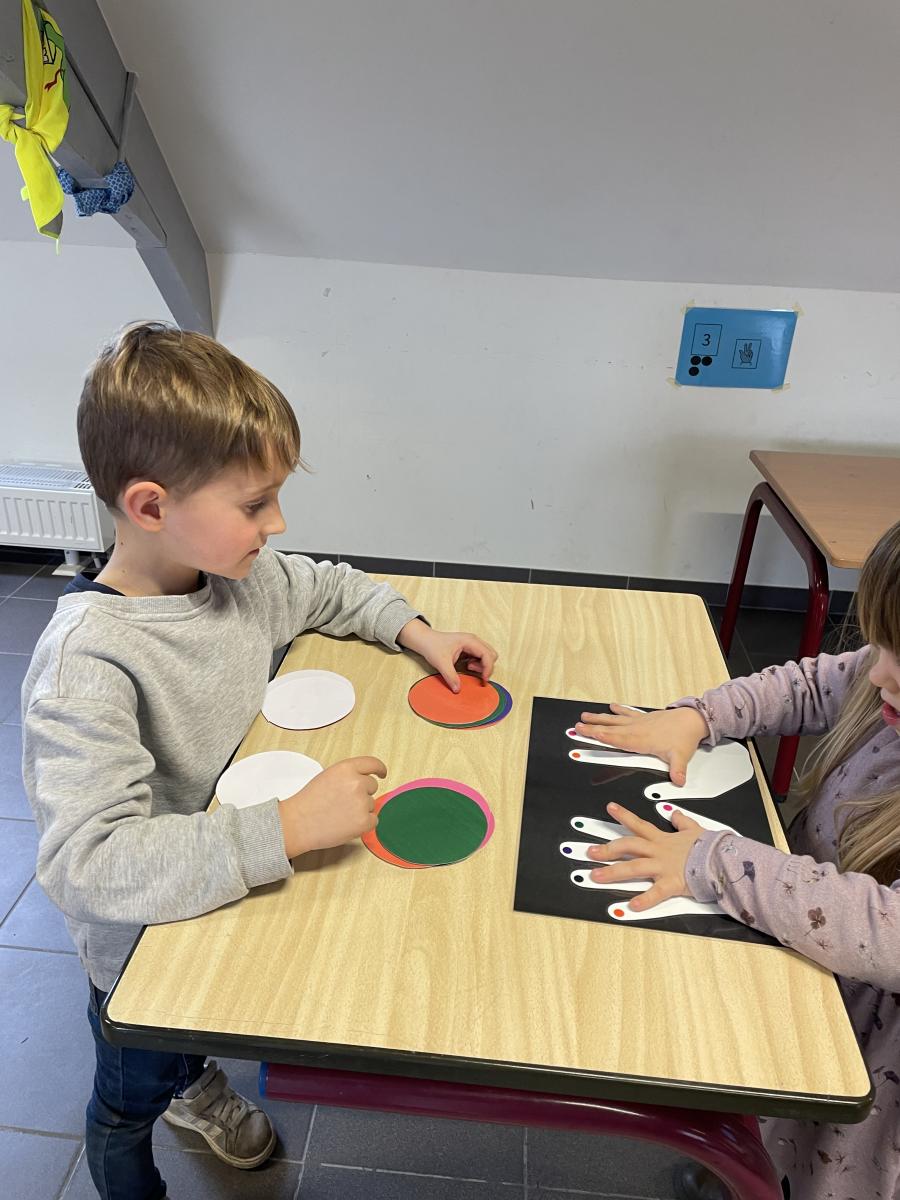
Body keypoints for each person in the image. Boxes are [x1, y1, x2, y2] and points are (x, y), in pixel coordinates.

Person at [21, 321, 497, 1200]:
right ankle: (156, 1128)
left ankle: (192, 1076)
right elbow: (89, 864)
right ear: (151, 507)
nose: (277, 524)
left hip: (224, 891)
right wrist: (286, 827)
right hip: (143, 950)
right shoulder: (85, 665)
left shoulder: (240, 580)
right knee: (127, 1102)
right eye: (254, 505)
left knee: (196, 1039)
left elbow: (329, 585)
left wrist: (417, 632)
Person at [574, 519, 900, 1200]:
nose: (878, 672)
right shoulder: (884, 682)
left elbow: (884, 928)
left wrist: (715, 860)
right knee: (769, 1128)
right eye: (882, 644)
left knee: (819, 1167)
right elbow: (813, 684)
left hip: (872, 1077)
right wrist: (700, 716)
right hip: (813, 971)